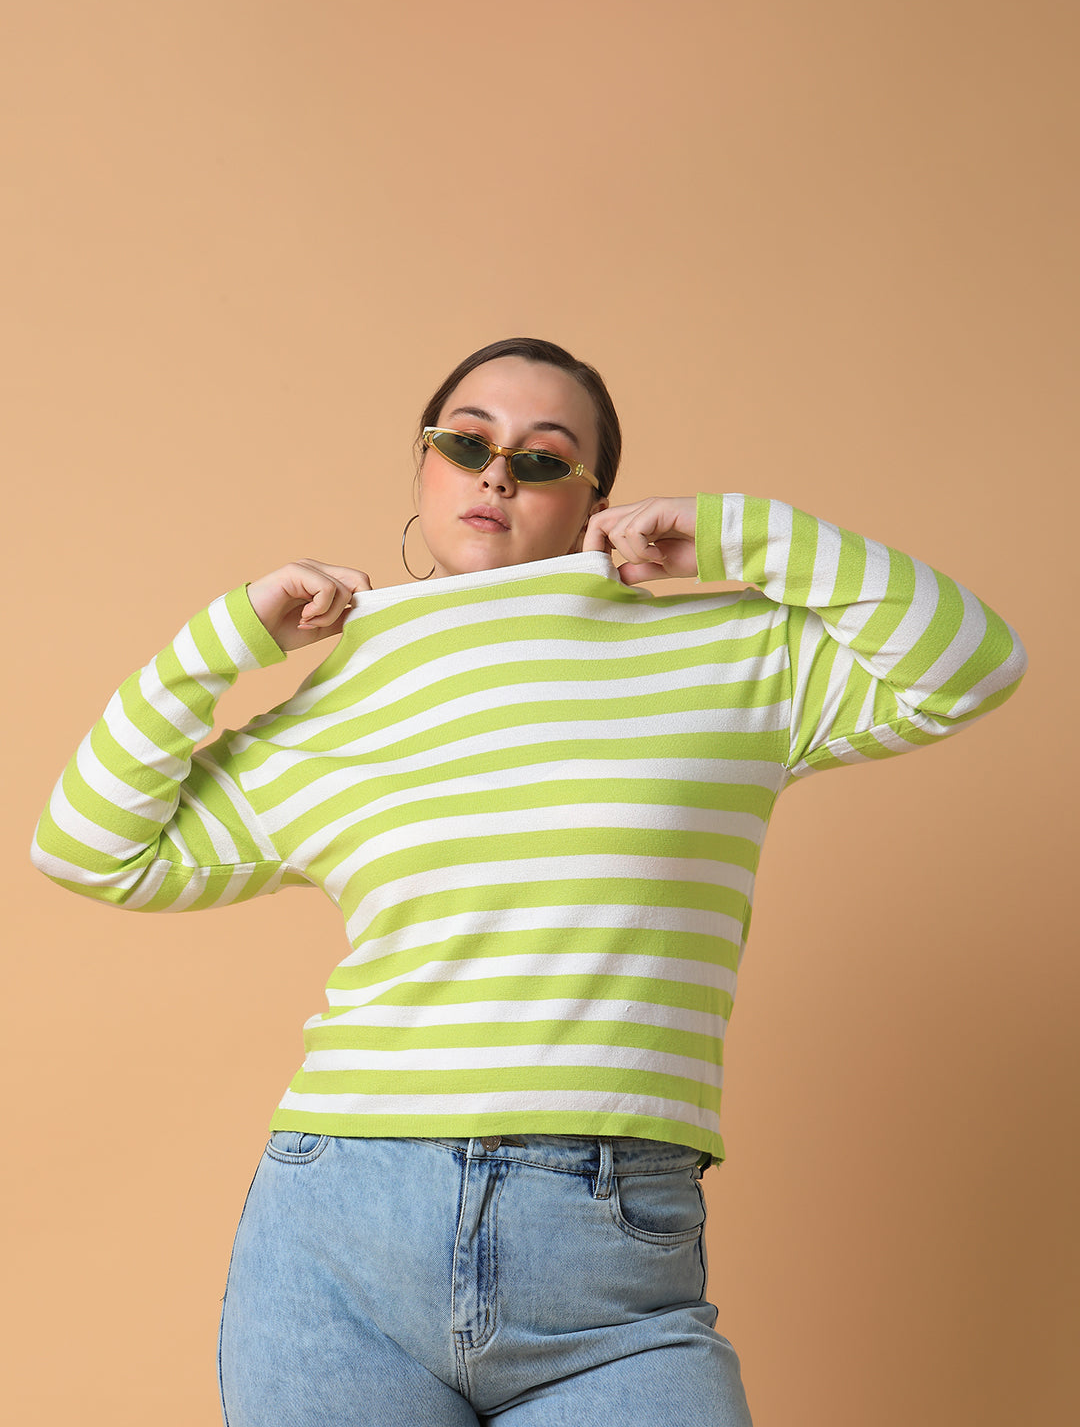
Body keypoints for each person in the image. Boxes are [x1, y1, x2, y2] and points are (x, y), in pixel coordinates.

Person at [31, 337, 1026, 1426]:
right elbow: (89, 846)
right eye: (467, 441)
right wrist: (221, 643)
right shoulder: (342, 698)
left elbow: (967, 660)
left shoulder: (729, 652)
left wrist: (736, 532)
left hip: (614, 1266)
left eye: (544, 458)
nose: (498, 471)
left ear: (597, 495)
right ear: (425, 467)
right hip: (341, 1241)